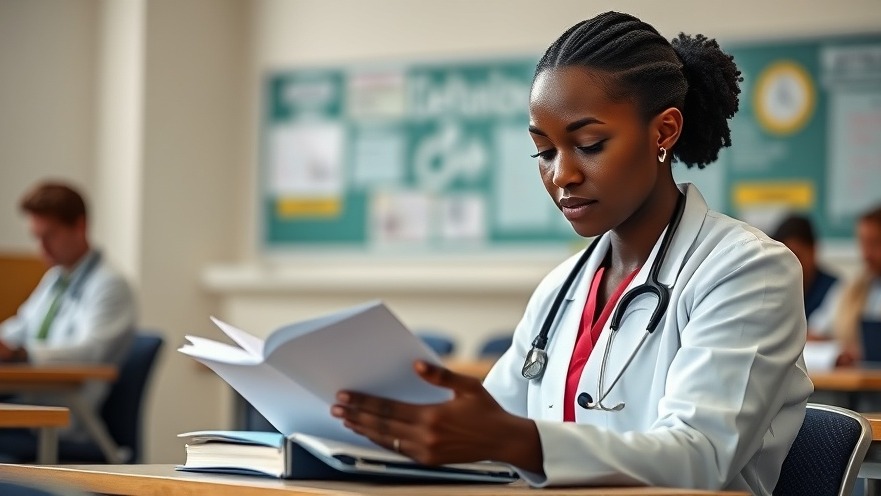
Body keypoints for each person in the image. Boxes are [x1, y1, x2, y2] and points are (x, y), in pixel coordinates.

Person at [331, 11, 811, 493]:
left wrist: (515, 440)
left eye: (589, 143)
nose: (562, 175)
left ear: (663, 132)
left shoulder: (748, 270)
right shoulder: (561, 288)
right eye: (544, 152)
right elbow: (493, 431)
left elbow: (699, 456)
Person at [0, 181, 137, 417]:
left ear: (80, 226)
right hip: (30, 402)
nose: (42, 248)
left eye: (50, 236)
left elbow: (91, 352)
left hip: (68, 416)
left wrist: (21, 354)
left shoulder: (110, 284)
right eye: (37, 237)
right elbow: (21, 327)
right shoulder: (56, 278)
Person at [813, 204, 881, 366]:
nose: (866, 254)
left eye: (875, 243)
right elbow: (816, 331)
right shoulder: (850, 288)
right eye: (863, 243)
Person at [771, 214, 839, 327]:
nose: (788, 264)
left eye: (796, 255)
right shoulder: (773, 288)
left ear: (813, 251)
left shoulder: (836, 289)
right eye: (782, 258)